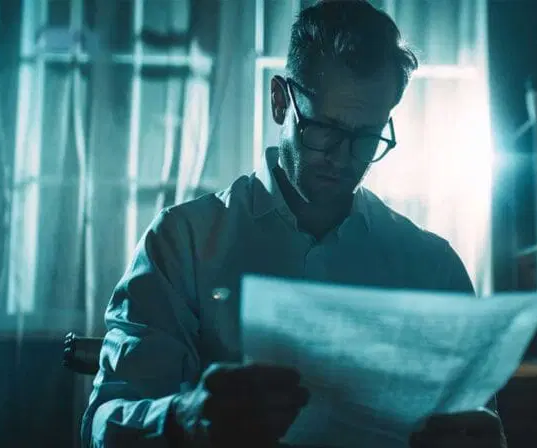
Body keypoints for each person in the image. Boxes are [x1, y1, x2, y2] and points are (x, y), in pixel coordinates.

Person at [82, 1, 507, 447]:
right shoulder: (181, 243)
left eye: (366, 138)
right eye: (324, 129)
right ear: (280, 101)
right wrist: (184, 418)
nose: (342, 159)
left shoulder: (432, 267)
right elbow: (101, 424)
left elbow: (477, 422)